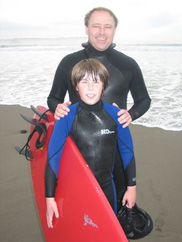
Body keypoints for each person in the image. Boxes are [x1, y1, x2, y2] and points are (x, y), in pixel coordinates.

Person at [47, 7, 151, 212]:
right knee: (79, 202)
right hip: (78, 148)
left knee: (118, 198)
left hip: (114, 146)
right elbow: (54, 98)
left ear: (114, 30)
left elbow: (144, 100)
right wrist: (56, 108)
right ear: (86, 29)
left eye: (108, 27)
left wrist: (131, 114)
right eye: (96, 26)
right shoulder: (69, 63)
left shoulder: (128, 65)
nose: (102, 32)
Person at [45, 59, 137, 229]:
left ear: (104, 85)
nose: (90, 87)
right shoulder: (67, 116)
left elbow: (127, 152)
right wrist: (49, 199)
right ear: (76, 86)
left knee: (106, 231)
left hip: (107, 190)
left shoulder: (116, 114)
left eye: (96, 81)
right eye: (84, 81)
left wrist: (131, 188)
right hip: (76, 191)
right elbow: (53, 158)